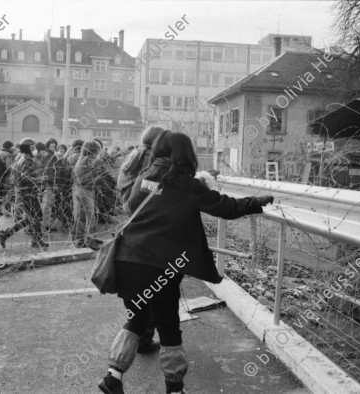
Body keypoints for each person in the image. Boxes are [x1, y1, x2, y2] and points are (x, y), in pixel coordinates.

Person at [98, 131, 274, 394]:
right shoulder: (186, 185)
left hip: (128, 262)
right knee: (169, 329)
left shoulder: (143, 179)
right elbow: (225, 207)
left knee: (137, 318)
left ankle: (112, 376)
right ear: (185, 154)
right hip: (159, 268)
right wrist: (255, 203)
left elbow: (135, 208)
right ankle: (175, 389)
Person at [115, 126, 165, 355]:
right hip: (149, 229)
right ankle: (144, 339)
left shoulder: (131, 158)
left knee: (137, 291)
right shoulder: (152, 160)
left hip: (130, 225)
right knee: (156, 287)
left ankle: (136, 340)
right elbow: (155, 191)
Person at [0, 138, 48, 249]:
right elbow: (25, 178)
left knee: (34, 217)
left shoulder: (22, 158)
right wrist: (42, 180)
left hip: (25, 192)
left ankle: (36, 240)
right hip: (27, 192)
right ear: (27, 149)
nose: (35, 149)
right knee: (35, 217)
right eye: (33, 147)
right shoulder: (27, 160)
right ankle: (5, 233)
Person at [117, 126, 165, 212]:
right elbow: (145, 184)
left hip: (128, 200)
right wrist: (165, 190)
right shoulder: (148, 156)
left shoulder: (138, 152)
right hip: (138, 204)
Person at [73, 140, 106, 249]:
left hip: (80, 190)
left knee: (82, 216)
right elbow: (96, 173)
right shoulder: (90, 159)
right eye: (97, 150)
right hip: (86, 190)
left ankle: (80, 240)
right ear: (93, 150)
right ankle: (90, 241)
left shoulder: (81, 158)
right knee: (91, 216)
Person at [41, 138, 59, 231]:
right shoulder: (51, 156)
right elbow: (50, 170)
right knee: (48, 203)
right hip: (50, 182)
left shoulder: (45, 154)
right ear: (48, 146)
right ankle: (46, 225)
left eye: (54, 146)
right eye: (52, 146)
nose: (54, 147)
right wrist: (54, 184)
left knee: (46, 202)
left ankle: (45, 223)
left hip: (46, 181)